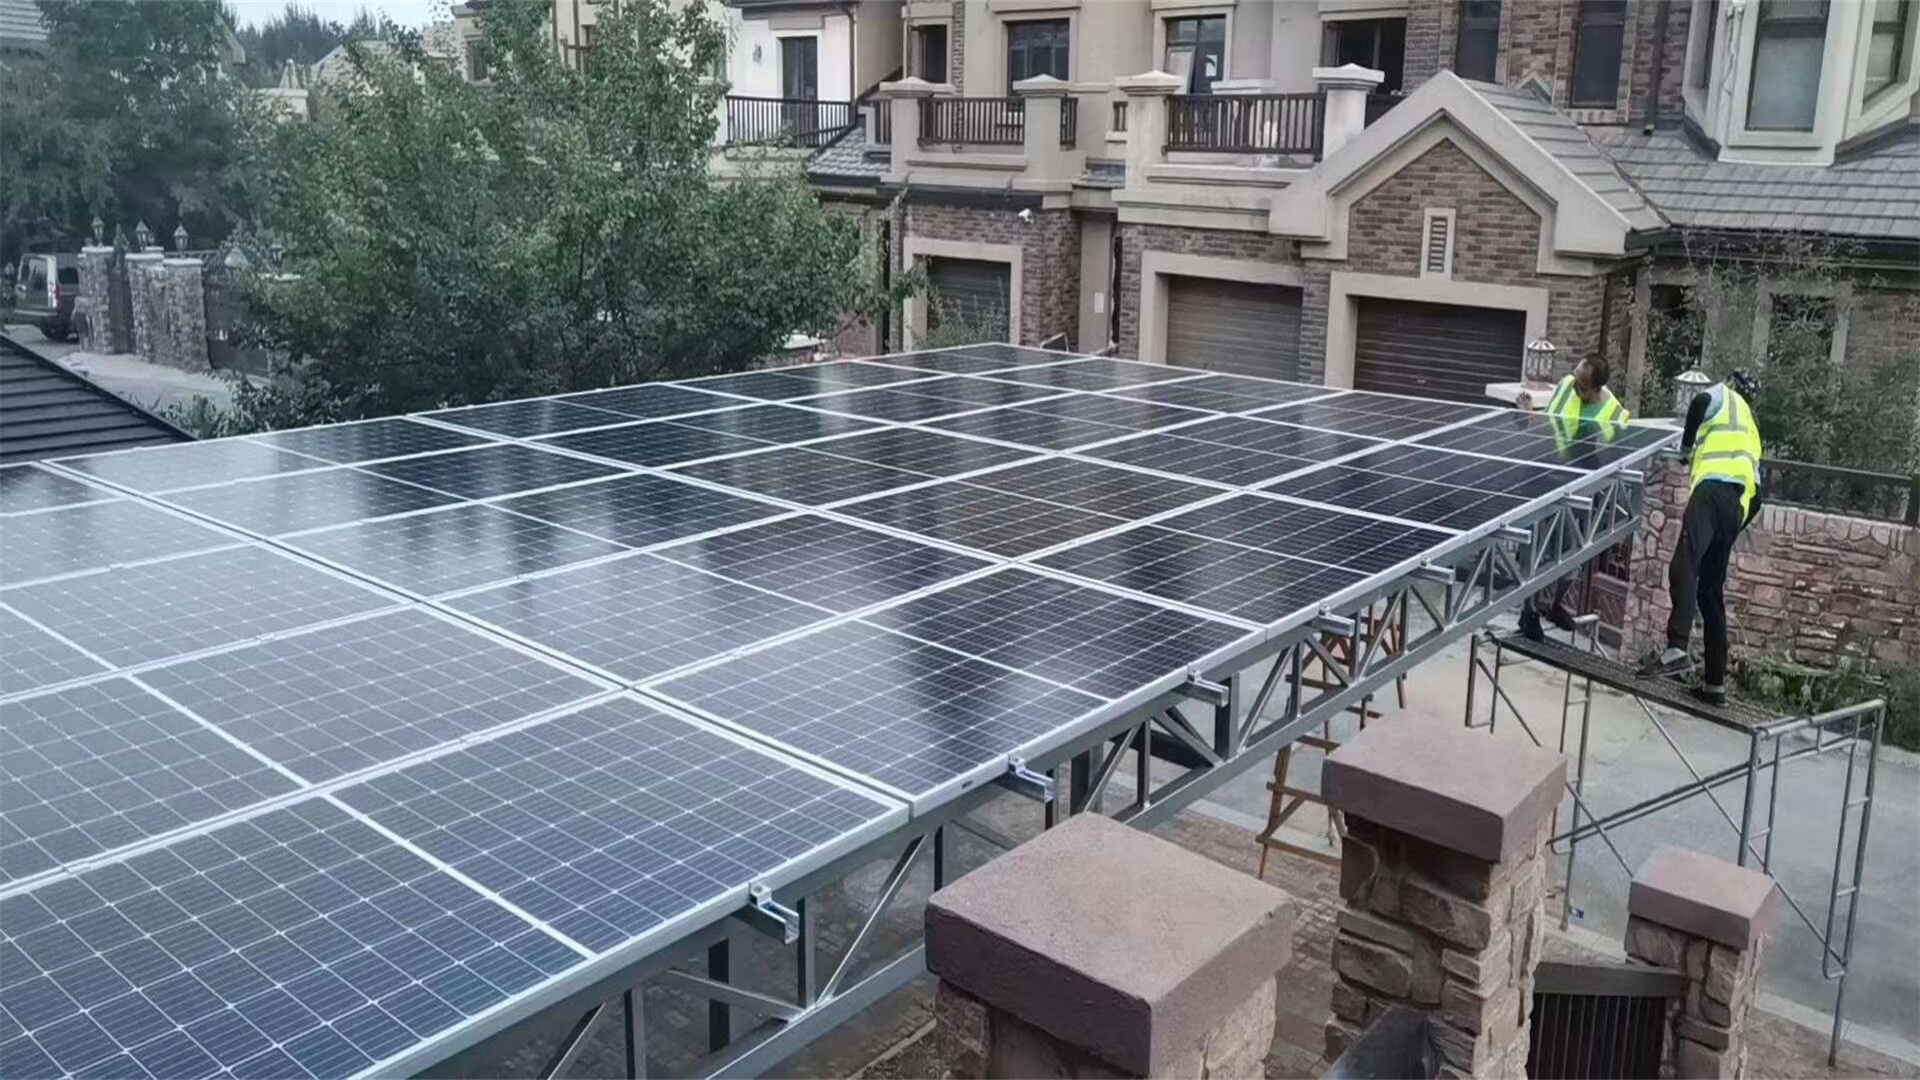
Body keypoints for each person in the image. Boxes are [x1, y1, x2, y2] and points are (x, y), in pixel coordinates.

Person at [1637, 369, 1765, 705]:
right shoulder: (1752, 431)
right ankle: (1714, 685)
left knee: (1684, 561)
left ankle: (1677, 648)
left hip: (1710, 491)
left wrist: (1685, 449)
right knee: (1711, 593)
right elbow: (1759, 495)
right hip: (1735, 508)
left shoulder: (1725, 394)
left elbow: (1698, 402)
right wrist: (1734, 525)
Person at [1518, 357, 1630, 641]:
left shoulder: (1613, 412)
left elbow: (1617, 454)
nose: (1574, 385)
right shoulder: (1566, 386)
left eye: (1581, 384)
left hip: (1579, 488)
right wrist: (1528, 414)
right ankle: (1529, 612)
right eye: (1575, 378)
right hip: (1545, 477)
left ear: (1596, 388)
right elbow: (1549, 425)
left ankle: (1555, 606)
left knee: (1573, 552)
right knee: (1535, 549)